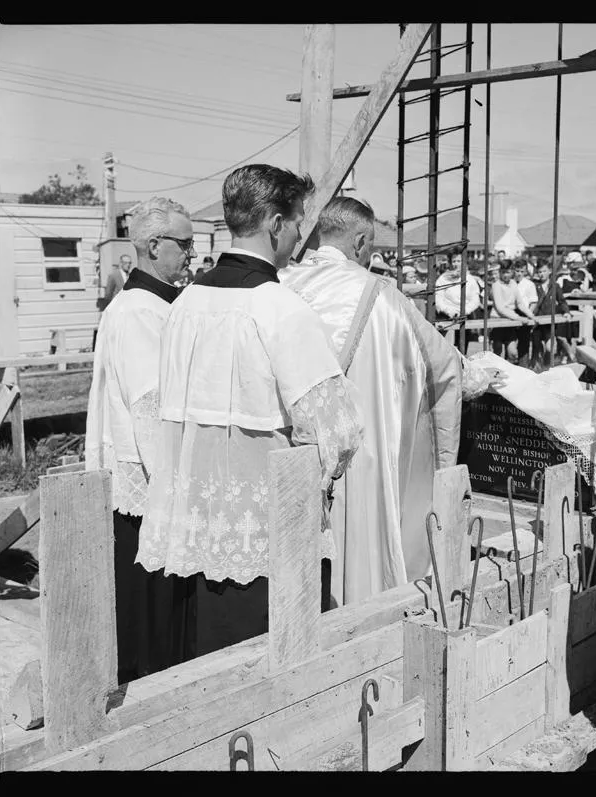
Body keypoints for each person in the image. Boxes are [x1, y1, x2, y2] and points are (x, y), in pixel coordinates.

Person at [136, 165, 363, 656]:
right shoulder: (280, 307)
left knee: (206, 665)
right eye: (299, 221)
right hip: (266, 536)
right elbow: (337, 432)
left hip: (195, 528)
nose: (301, 234)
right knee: (272, 671)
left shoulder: (183, 304)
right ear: (275, 224)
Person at [281, 196, 463, 604]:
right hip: (355, 461)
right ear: (361, 241)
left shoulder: (282, 284)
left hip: (290, 456)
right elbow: (439, 367)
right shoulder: (381, 297)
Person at [85, 197, 195, 683]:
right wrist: (180, 483)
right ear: (154, 245)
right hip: (149, 489)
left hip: (161, 486)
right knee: (148, 617)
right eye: (184, 243)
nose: (191, 253)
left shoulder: (160, 303)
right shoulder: (135, 312)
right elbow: (150, 408)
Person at [435, 250, 483, 352]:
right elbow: (438, 299)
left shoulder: (470, 279)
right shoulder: (443, 279)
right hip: (446, 317)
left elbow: (475, 300)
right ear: (450, 262)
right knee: (446, 349)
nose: (456, 264)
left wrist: (464, 311)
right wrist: (449, 311)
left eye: (459, 261)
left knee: (462, 349)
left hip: (464, 316)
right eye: (454, 261)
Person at [489, 261, 537, 361]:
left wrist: (531, 315)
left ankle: (508, 373)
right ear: (500, 272)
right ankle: (495, 374)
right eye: (503, 272)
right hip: (497, 321)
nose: (505, 275)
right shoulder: (496, 285)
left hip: (510, 322)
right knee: (497, 352)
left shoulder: (513, 283)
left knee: (513, 353)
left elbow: (519, 303)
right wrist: (519, 318)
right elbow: (500, 308)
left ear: (512, 272)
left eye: (508, 272)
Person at [531, 260, 573, 368]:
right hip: (536, 322)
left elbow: (562, 301)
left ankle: (546, 367)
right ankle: (536, 369)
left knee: (550, 348)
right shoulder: (534, 286)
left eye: (544, 271)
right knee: (537, 348)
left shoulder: (555, 286)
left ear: (549, 271)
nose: (541, 274)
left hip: (549, 323)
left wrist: (566, 312)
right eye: (539, 272)